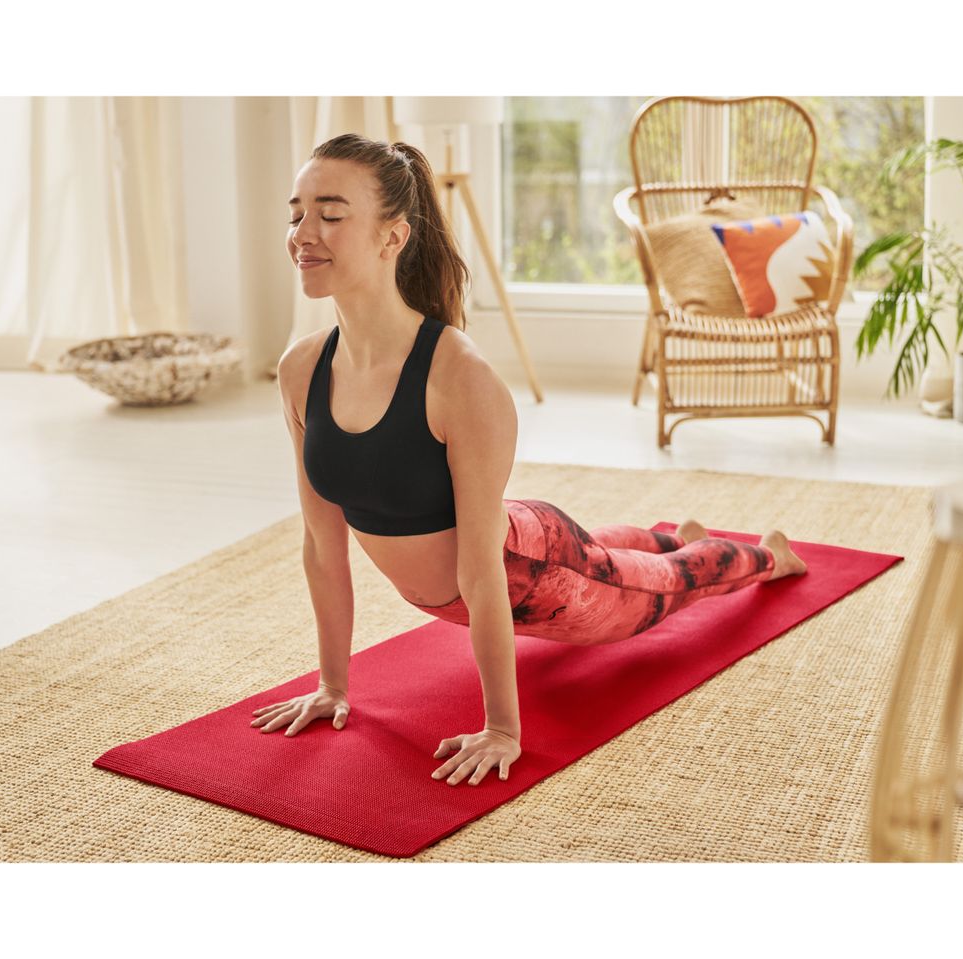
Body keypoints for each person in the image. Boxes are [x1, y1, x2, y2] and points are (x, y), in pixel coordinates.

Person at [250, 133, 808, 788]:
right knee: (602, 550)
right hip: (516, 537)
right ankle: (667, 534)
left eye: (330, 215)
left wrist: (502, 729)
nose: (303, 234)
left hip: (536, 571)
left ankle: (769, 557)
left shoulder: (458, 377)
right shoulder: (302, 369)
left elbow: (483, 569)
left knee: (664, 587)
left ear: (392, 236)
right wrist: (332, 686)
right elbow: (323, 546)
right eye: (296, 214)